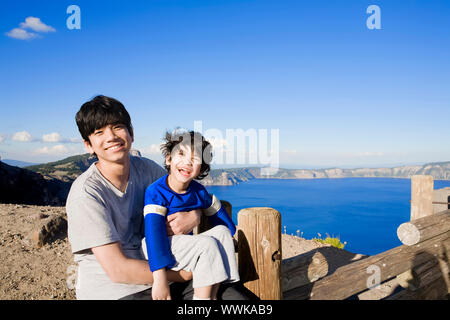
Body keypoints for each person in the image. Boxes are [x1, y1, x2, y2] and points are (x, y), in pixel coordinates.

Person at [66, 95, 248, 300]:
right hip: (118, 290)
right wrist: (186, 274)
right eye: (99, 132)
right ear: (88, 144)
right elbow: (118, 270)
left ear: (131, 133)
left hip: (169, 271)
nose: (111, 137)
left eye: (117, 127)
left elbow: (182, 193)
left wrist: (195, 215)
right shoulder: (86, 193)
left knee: (240, 301)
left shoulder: (147, 169)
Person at [144, 130, 239, 300]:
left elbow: (216, 209)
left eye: (195, 159)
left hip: (184, 247)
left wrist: (233, 232)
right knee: (207, 244)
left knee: (223, 234)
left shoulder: (198, 191)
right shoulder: (156, 192)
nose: (187, 162)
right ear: (168, 159)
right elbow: (153, 233)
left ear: (201, 168)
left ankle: (217, 291)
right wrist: (160, 279)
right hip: (155, 247)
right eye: (181, 154)